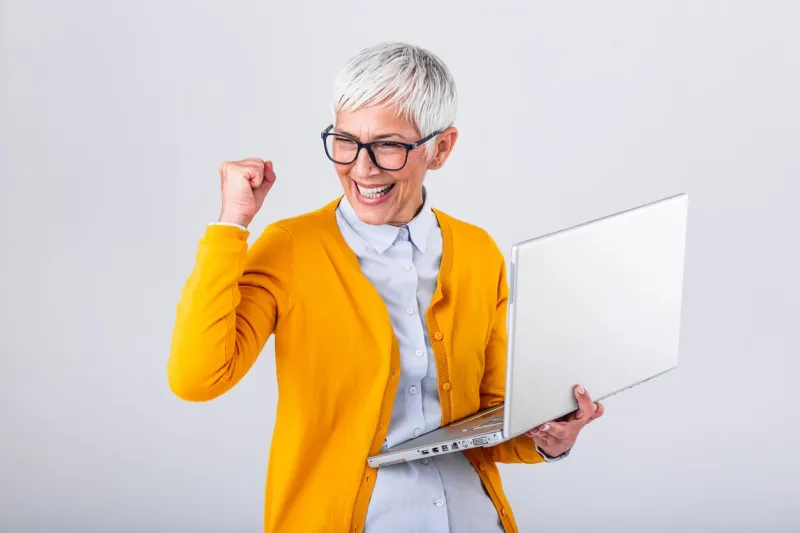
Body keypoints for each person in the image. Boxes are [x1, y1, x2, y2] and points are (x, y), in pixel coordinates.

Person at [167, 41, 605, 533]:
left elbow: (491, 422)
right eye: (345, 140)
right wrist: (232, 224)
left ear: (441, 148)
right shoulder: (292, 247)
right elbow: (197, 377)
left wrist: (549, 438)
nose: (362, 166)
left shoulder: (478, 250)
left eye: (389, 145)